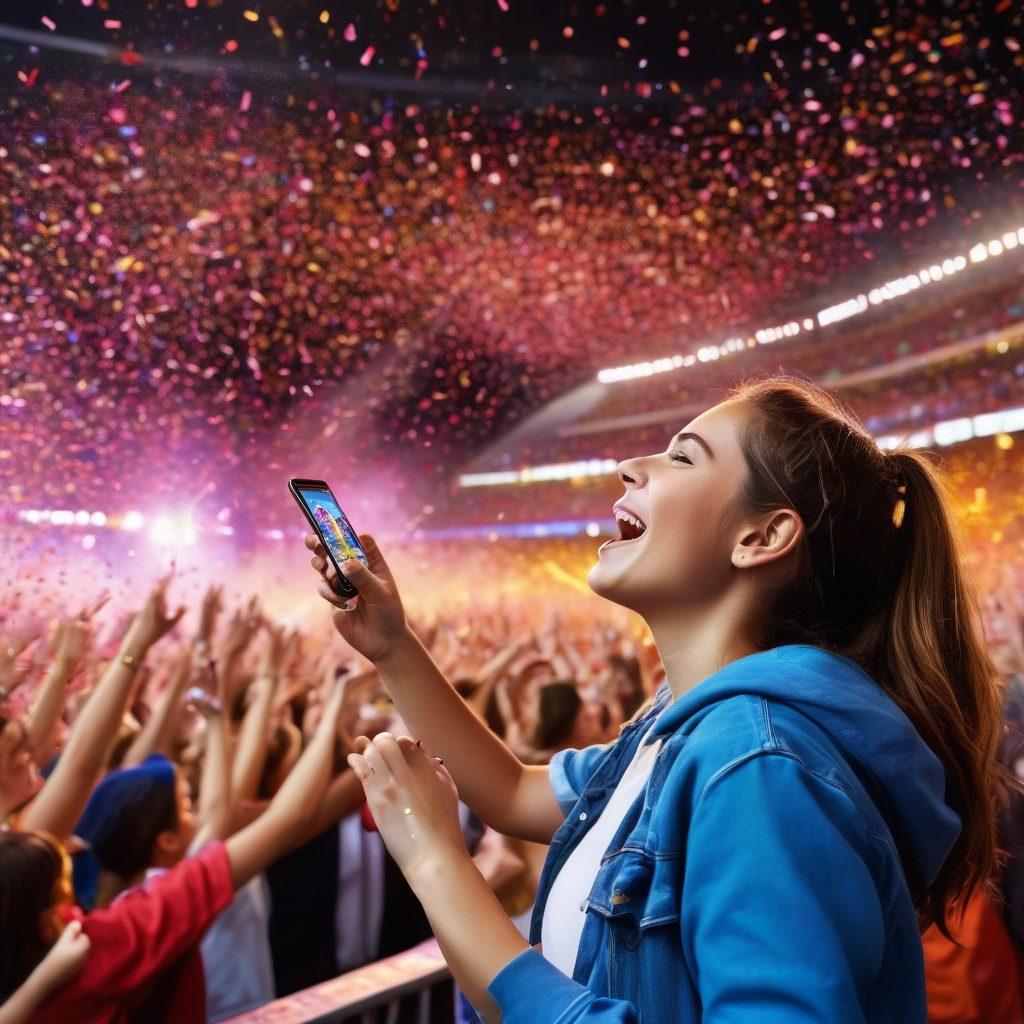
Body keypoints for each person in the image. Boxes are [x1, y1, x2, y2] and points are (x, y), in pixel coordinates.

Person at [307, 373, 1006, 1024]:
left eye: (683, 457)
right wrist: (393, 646)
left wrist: (438, 866)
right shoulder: (679, 729)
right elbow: (512, 795)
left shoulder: (761, 764)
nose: (630, 467)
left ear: (761, 537)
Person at [0, 678, 349, 1024]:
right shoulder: (110, 944)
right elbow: (285, 818)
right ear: (47, 923)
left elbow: (217, 810)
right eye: (184, 806)